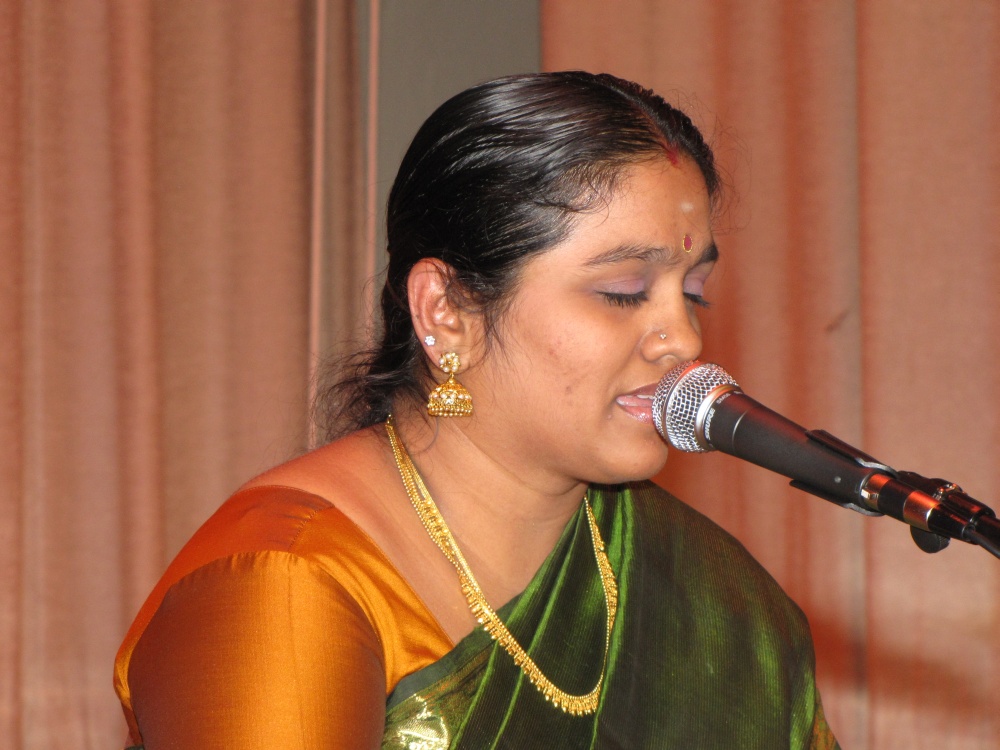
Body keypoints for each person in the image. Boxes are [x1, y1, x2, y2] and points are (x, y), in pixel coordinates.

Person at [113, 71, 839, 749]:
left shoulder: (718, 603)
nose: (683, 339)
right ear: (447, 311)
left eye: (694, 293)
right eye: (623, 292)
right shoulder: (285, 582)